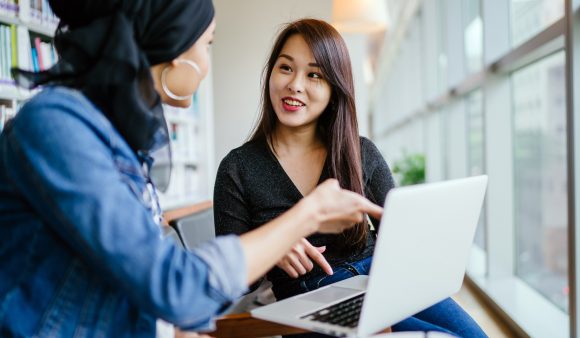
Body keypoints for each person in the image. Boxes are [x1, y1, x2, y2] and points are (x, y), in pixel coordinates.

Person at [0, 1, 383, 337]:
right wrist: (306, 215)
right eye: (207, 44)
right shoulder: (57, 128)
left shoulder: (111, 137)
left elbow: (134, 280)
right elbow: (172, 285)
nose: (204, 64)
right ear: (170, 44)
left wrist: (166, 328)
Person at [214, 19, 487, 337]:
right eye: (286, 68)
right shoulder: (237, 168)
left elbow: (398, 235)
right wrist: (275, 244)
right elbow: (231, 281)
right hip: (314, 294)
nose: (295, 85)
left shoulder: (360, 151)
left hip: (385, 278)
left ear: (334, 89)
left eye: (314, 75)